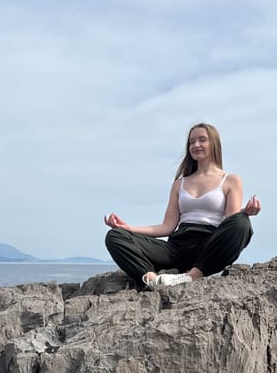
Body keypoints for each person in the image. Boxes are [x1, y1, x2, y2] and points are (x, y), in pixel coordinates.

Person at [104, 122, 261, 289]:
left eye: (202, 140)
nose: (196, 145)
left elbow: (230, 221)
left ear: (214, 143)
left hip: (209, 246)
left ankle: (191, 276)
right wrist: (129, 228)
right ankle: (152, 279)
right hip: (177, 247)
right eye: (192, 142)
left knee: (242, 222)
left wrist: (245, 212)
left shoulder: (231, 180)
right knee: (115, 236)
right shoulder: (180, 183)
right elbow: (167, 226)